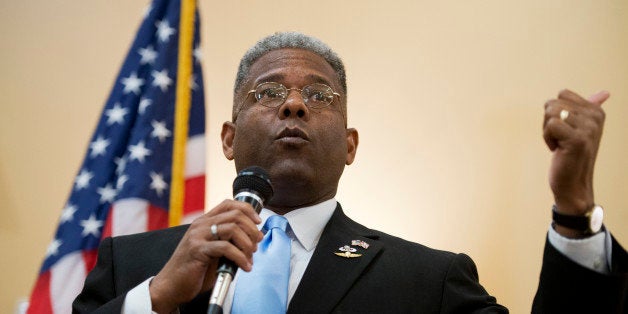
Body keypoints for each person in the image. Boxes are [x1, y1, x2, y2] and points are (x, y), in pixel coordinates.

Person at [73, 32, 627, 313]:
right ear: (227, 137)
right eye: (267, 93)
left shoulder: (426, 282)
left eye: (320, 95)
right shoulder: (137, 266)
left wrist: (574, 211)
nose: (294, 106)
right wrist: (160, 296)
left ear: (351, 146)